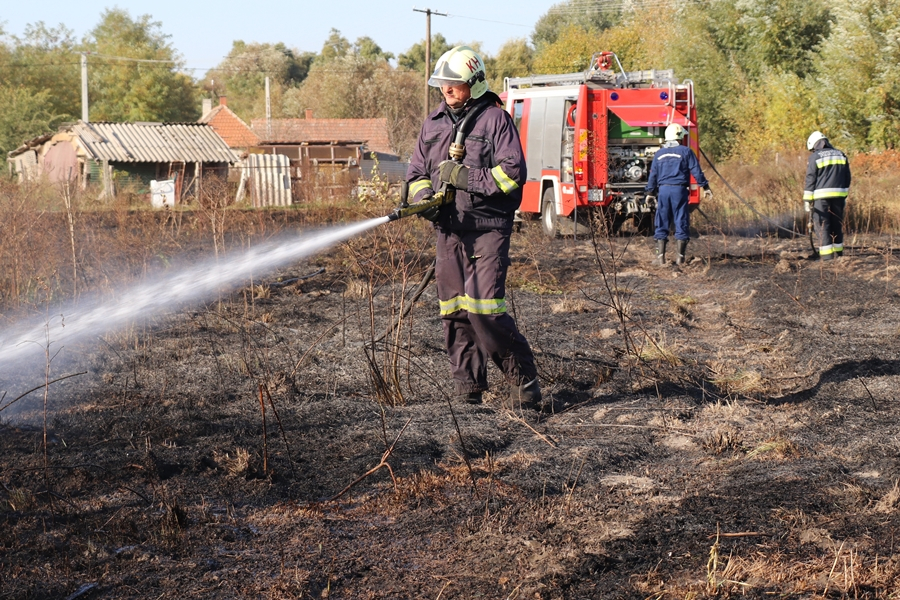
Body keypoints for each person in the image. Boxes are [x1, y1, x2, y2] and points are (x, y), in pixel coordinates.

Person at [406, 45, 544, 411]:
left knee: (484, 309)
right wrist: (425, 201)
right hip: (449, 230)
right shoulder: (433, 123)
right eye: (442, 83)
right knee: (454, 312)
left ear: (475, 83)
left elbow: (512, 174)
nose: (447, 89)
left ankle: (524, 382)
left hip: (487, 228)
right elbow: (416, 174)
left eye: (454, 83)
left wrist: (465, 177)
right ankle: (468, 390)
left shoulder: (495, 120)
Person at [645, 123, 712, 266]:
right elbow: (696, 171)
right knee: (681, 220)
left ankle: (660, 258)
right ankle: (680, 258)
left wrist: (650, 192)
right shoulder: (686, 151)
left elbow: (653, 175)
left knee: (661, 221)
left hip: (663, 191)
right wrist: (705, 187)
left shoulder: (659, 154)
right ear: (679, 137)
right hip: (679, 191)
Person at [804, 131, 851, 260]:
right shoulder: (841, 154)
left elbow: (811, 178)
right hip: (839, 196)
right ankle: (839, 254)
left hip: (821, 197)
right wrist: (844, 193)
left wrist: (807, 199)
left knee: (822, 225)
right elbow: (847, 176)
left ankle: (827, 257)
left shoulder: (815, 157)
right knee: (837, 224)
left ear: (814, 145)